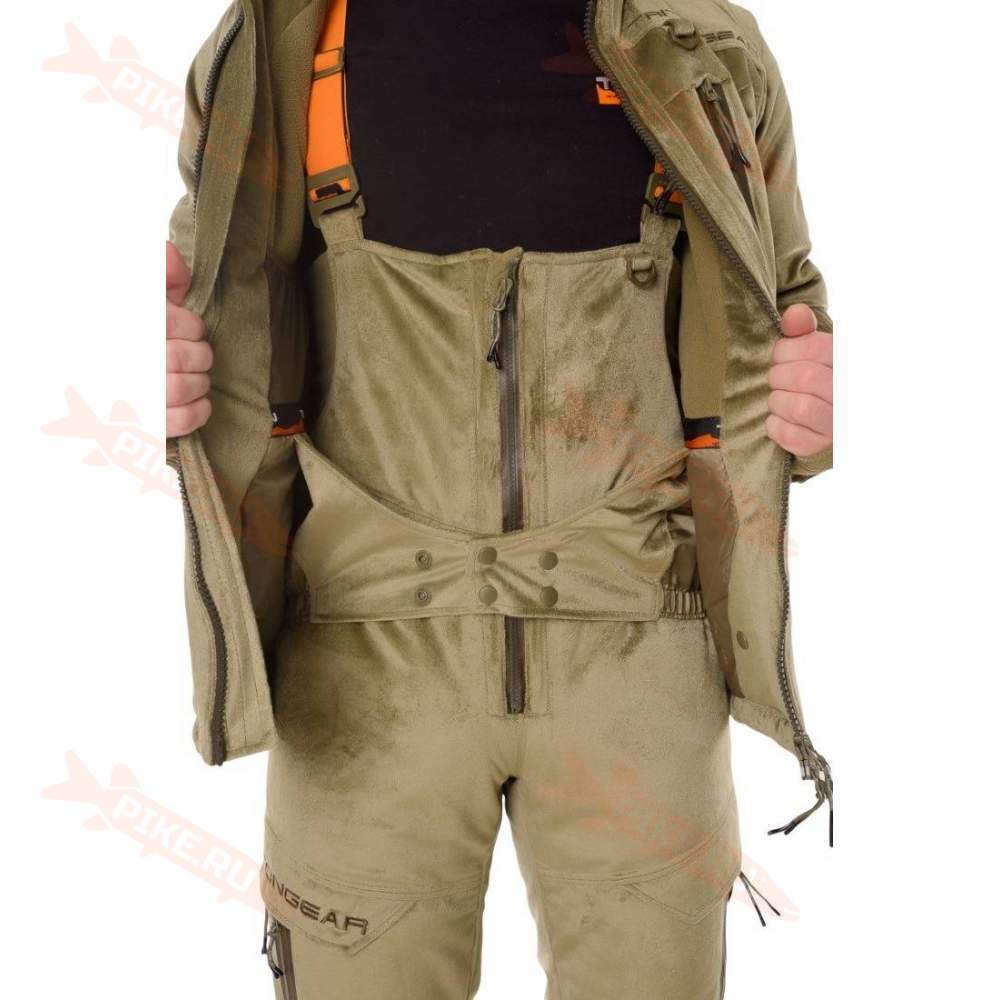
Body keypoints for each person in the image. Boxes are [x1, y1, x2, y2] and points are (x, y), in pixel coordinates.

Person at [165, 1, 834, 996]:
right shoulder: (275, 41)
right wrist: (169, 379)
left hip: (641, 667)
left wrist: (813, 408)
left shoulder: (707, 46)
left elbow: (783, 300)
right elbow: (208, 305)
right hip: (361, 681)